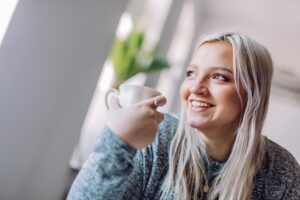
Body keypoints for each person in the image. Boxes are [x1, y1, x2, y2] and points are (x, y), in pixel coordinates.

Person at [67, 32, 300, 200]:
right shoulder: (155, 137)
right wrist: (118, 143)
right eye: (191, 73)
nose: (196, 87)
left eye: (219, 76)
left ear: (252, 94)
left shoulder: (281, 171)